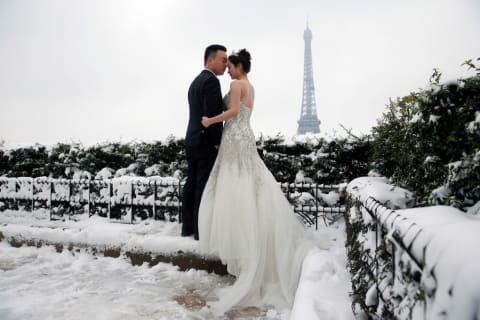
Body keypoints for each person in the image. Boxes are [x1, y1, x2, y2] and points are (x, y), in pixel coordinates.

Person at [198, 49, 315, 315]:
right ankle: (252, 249)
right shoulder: (250, 85)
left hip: (234, 137)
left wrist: (209, 120)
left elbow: (234, 111)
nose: (227, 69)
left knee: (235, 187)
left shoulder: (236, 84)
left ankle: (244, 254)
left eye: (231, 66)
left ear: (239, 66)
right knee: (250, 186)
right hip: (245, 136)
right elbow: (243, 112)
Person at [182, 44, 227, 240]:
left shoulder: (195, 82)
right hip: (205, 141)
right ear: (210, 60)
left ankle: (188, 228)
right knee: (203, 184)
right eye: (223, 60)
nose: (226, 64)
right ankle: (201, 231)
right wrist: (217, 142)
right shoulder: (211, 82)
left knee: (191, 182)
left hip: (191, 138)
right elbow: (212, 113)